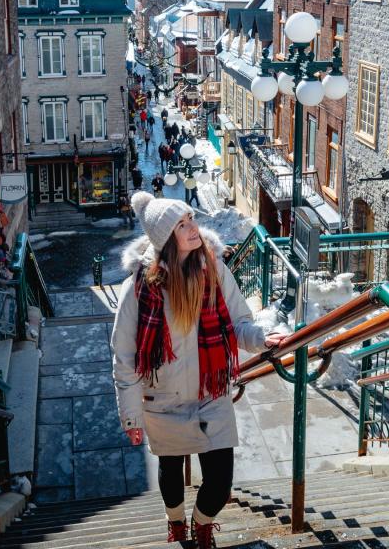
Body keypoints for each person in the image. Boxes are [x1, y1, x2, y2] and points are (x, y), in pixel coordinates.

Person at [111, 193, 288, 549]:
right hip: (163, 398)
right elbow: (124, 357)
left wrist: (260, 338)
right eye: (182, 224)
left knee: (220, 482)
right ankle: (176, 522)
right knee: (171, 474)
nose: (194, 228)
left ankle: (202, 521)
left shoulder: (213, 268)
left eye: (191, 219)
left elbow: (239, 320)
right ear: (165, 238)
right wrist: (132, 419)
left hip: (211, 392)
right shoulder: (140, 288)